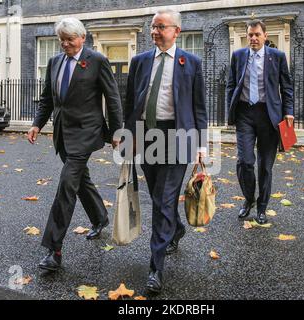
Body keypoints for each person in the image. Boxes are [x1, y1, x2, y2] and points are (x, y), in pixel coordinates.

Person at [27, 17, 123, 271]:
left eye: (70, 39)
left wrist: (116, 132)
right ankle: (100, 217)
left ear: (82, 38)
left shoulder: (97, 61)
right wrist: (37, 123)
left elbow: (112, 99)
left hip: (86, 133)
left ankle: (53, 249)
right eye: (62, 40)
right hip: (62, 133)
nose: (65, 44)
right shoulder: (55, 62)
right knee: (80, 181)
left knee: (66, 186)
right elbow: (48, 98)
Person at [124, 9, 207, 293]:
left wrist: (201, 145)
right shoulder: (139, 61)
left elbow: (199, 108)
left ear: (176, 31)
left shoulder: (191, 63)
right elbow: (130, 103)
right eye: (152, 27)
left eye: (161, 27)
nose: (155, 32)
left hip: (178, 137)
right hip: (148, 136)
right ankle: (177, 229)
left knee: (164, 199)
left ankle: (155, 267)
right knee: (158, 196)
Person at [226, 19, 294, 225]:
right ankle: (248, 199)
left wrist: (288, 112)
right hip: (245, 114)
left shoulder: (278, 57)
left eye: (257, 34)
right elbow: (231, 85)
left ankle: (262, 207)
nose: (253, 38)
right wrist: (231, 110)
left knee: (265, 166)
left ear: (265, 36)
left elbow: (287, 87)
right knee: (245, 161)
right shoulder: (238, 56)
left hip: (269, 115)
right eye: (250, 35)